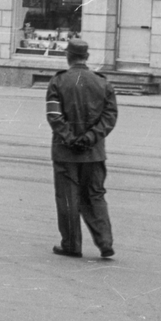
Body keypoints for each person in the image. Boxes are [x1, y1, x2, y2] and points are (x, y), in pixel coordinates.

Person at [45, 38, 118, 260]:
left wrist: (70, 138)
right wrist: (89, 138)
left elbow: (54, 116)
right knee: (95, 196)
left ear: (68, 57)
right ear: (86, 57)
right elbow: (110, 116)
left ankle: (71, 245)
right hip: (94, 152)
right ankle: (105, 242)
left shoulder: (58, 82)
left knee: (67, 198)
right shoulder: (102, 83)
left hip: (65, 153)